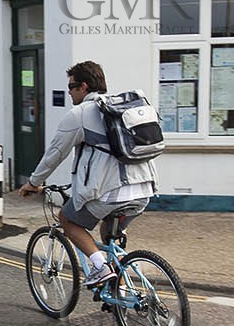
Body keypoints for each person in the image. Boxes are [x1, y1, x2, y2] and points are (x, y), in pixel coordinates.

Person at [18, 61, 156, 286]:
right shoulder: (119, 110)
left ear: (83, 87)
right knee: (109, 236)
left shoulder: (80, 113)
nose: (69, 92)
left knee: (67, 219)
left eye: (71, 87)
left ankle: (100, 269)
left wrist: (34, 182)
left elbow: (55, 153)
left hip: (112, 192)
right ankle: (122, 290)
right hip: (144, 189)